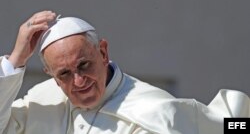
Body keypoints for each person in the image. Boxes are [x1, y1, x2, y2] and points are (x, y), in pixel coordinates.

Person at [0, 10, 249, 134]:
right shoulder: (40, 102)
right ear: (50, 74)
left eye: (84, 65)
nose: (78, 80)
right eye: (64, 74)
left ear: (103, 52)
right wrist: (16, 59)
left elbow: (229, 126)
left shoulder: (152, 109)